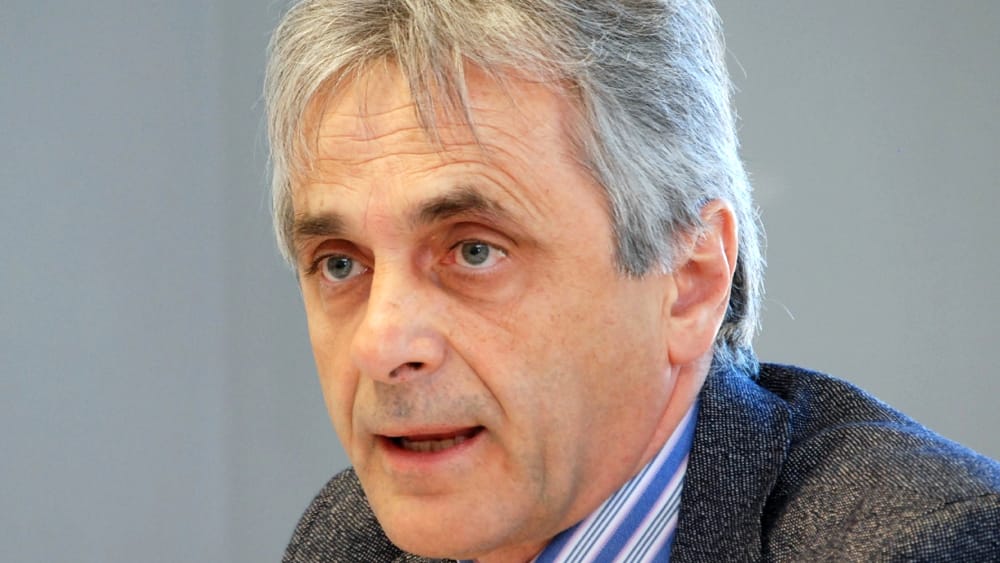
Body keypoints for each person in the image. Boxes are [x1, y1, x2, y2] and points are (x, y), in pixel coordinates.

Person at [264, 1, 1000, 561]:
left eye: (475, 251)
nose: (380, 345)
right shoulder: (349, 539)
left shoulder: (917, 542)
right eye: (340, 262)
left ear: (690, 280)